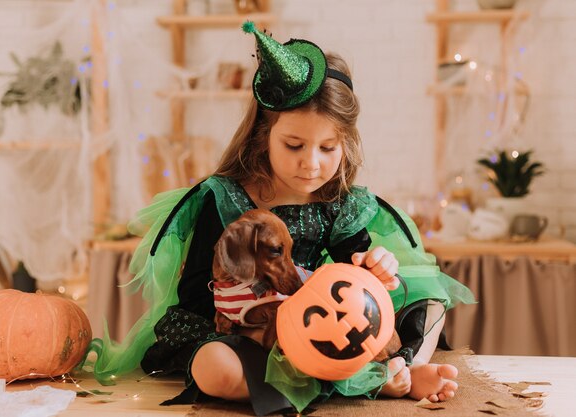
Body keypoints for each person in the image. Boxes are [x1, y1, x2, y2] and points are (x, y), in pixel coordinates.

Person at [83, 22, 474, 415]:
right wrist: (257, 323)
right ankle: (368, 380)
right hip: (250, 336)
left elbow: (352, 281)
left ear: (346, 144)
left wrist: (374, 271)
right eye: (294, 145)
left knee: (432, 303)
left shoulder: (337, 203)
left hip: (320, 323)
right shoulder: (225, 199)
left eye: (327, 147)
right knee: (214, 370)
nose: (311, 163)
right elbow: (198, 298)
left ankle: (401, 367)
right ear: (262, 136)